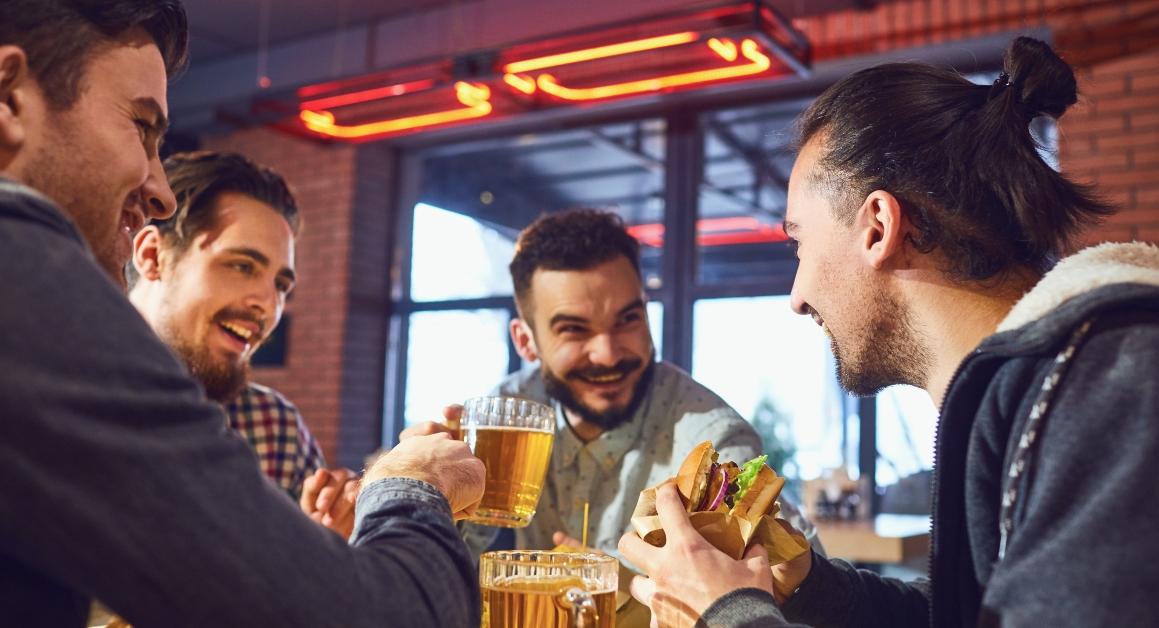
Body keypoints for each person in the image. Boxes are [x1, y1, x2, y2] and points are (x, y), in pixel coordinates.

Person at [0, 2, 484, 626]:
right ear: (7, 95)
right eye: (141, 127)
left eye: (281, 282)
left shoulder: (272, 421)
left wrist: (320, 547)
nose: (159, 192)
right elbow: (382, 616)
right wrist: (412, 484)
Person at [619, 36, 1159, 628]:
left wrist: (724, 614)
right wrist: (812, 589)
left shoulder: (1115, 386)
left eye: (799, 244)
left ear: (877, 227)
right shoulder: (1037, 392)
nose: (796, 298)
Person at [405, 209, 817, 563]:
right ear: (525, 341)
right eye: (574, 329)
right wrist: (420, 498)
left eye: (627, 319)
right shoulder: (508, 416)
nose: (607, 353)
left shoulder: (712, 440)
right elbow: (447, 558)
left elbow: (802, 576)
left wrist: (621, 587)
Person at [128, 151, 359, 537]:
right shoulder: (54, 393)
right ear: (153, 256)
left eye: (281, 286)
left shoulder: (275, 427)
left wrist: (329, 539)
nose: (268, 305)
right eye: (242, 266)